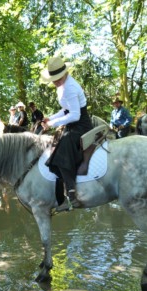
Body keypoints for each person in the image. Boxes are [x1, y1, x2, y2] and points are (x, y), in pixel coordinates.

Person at [41, 56, 92, 212]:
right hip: (72, 122)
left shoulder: (69, 87)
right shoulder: (62, 86)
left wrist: (52, 124)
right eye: (53, 79)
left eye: (57, 78)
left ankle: (71, 196)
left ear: (64, 73)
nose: (55, 81)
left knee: (62, 149)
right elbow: (65, 109)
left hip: (81, 125)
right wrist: (51, 117)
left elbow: (75, 115)